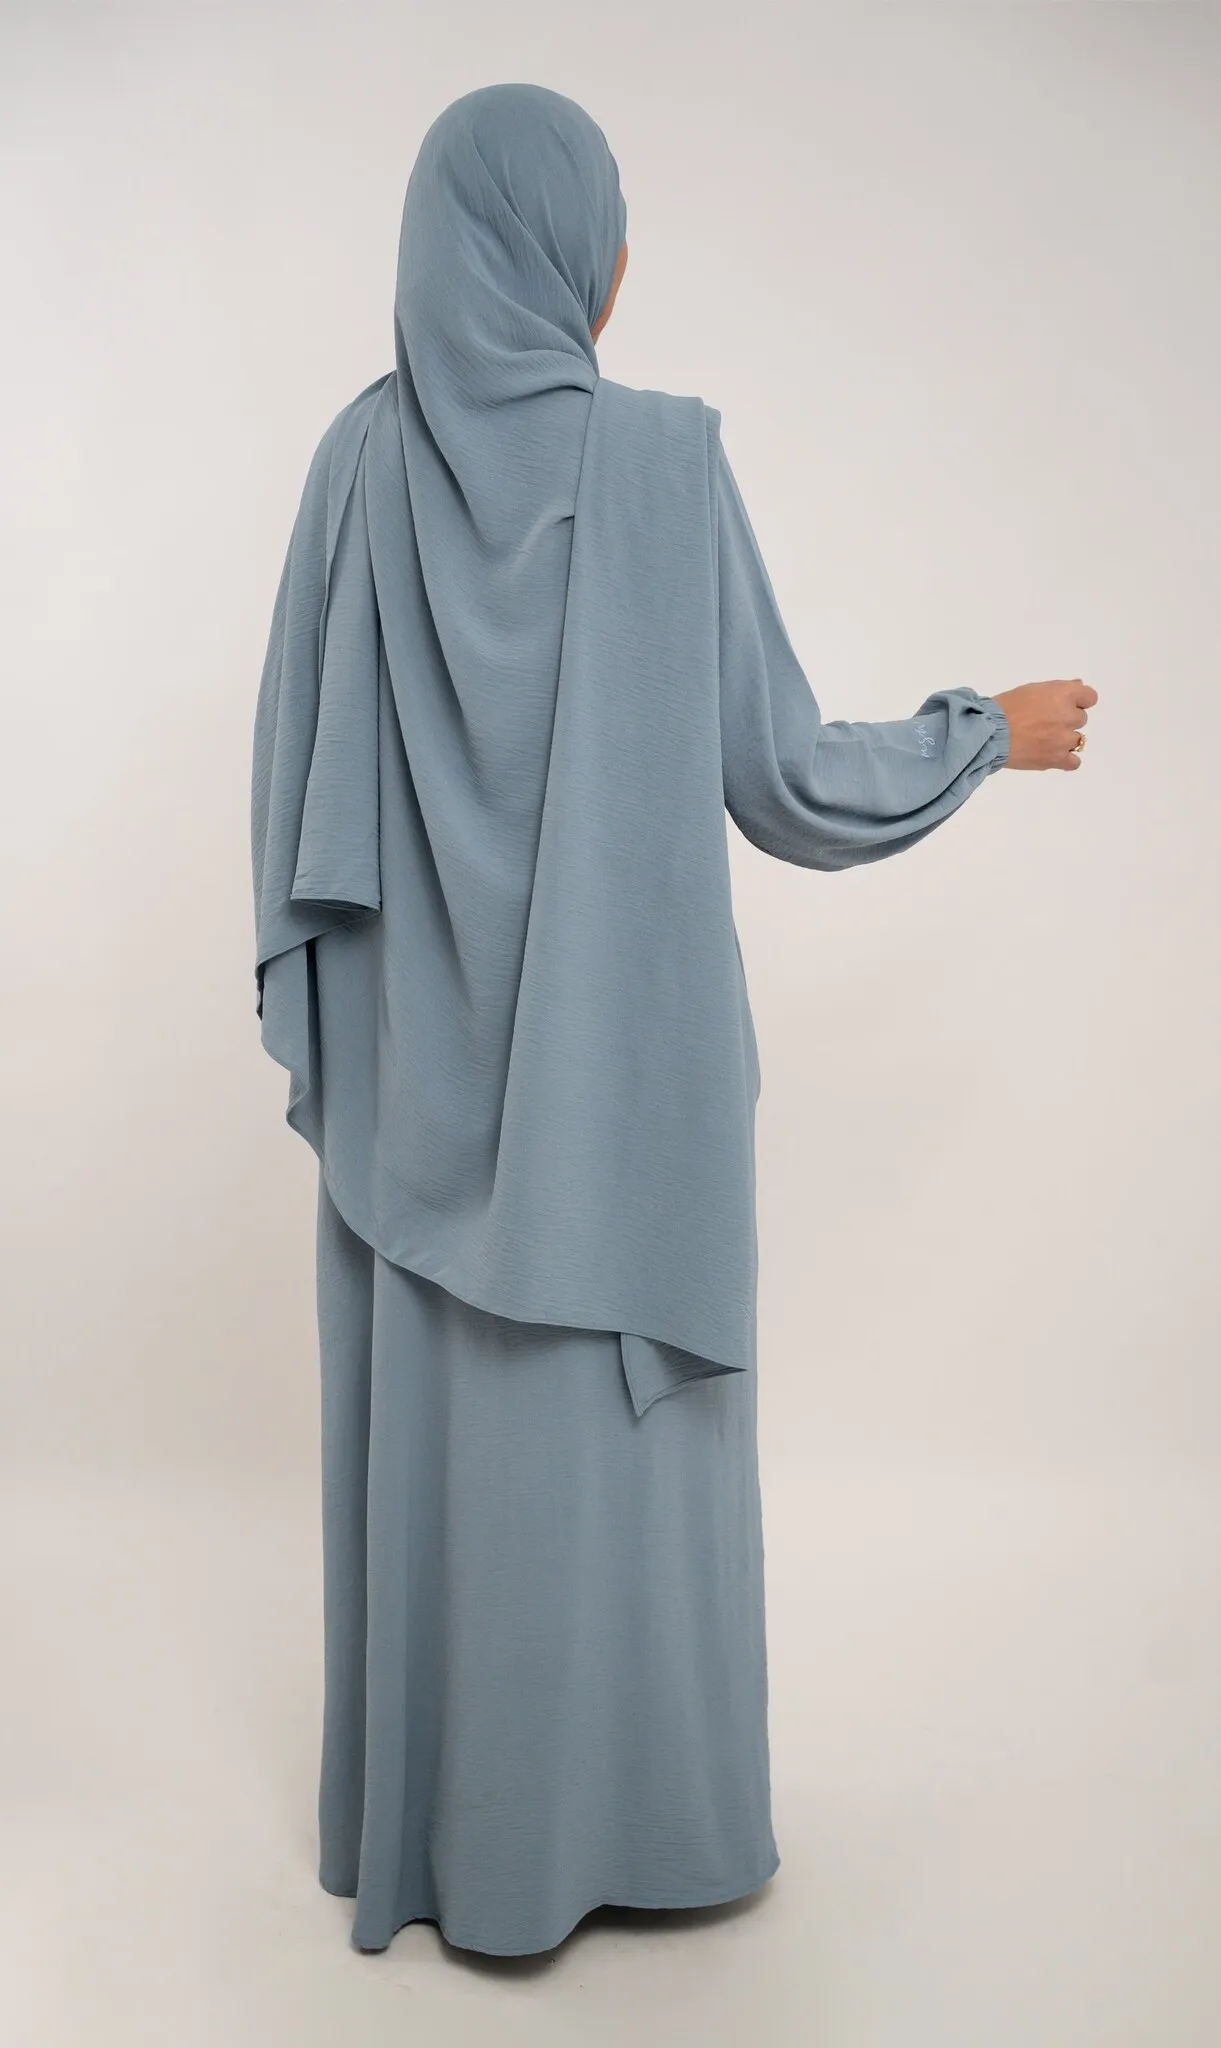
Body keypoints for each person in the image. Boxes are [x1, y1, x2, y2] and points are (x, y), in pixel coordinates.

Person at [250, 81, 1097, 1962]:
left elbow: (293, 786)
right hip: (619, 1113)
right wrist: (983, 733)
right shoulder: (659, 466)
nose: (623, 263)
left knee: (460, 1465)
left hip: (413, 1110)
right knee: (620, 1482)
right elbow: (780, 773)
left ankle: (454, 1846)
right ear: (575, 257)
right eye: (609, 229)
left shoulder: (354, 465)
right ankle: (645, 1832)